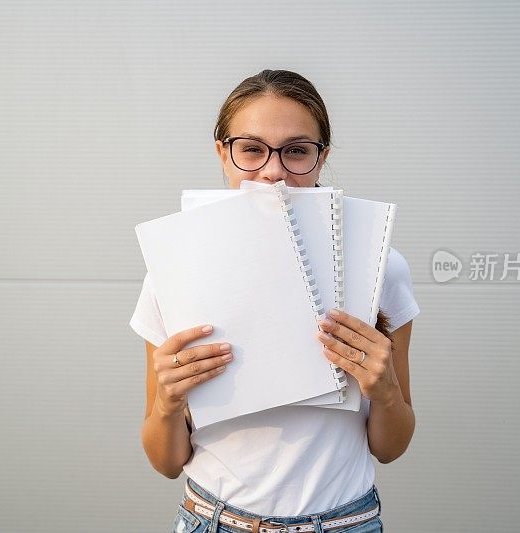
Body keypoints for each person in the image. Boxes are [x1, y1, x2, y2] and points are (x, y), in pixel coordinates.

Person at [130, 69, 420, 533]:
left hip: (346, 522)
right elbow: (165, 462)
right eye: (251, 149)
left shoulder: (381, 264)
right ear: (222, 153)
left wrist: (384, 389)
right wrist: (167, 403)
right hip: (215, 521)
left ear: (321, 158)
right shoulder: (174, 270)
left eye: (297, 151)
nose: (273, 171)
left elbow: (390, 447)